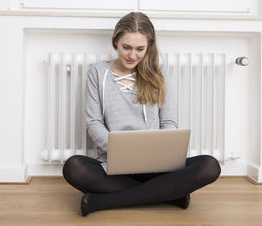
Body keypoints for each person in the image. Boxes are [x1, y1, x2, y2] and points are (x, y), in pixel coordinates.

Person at [62, 12, 221, 216]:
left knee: (209, 166)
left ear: (149, 47)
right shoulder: (97, 72)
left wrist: (161, 151)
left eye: (140, 49)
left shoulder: (158, 75)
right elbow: (94, 122)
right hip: (114, 164)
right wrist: (120, 150)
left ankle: (104, 202)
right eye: (126, 47)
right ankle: (170, 195)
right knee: (74, 167)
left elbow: (169, 122)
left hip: (156, 167)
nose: (132, 55)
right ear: (115, 42)